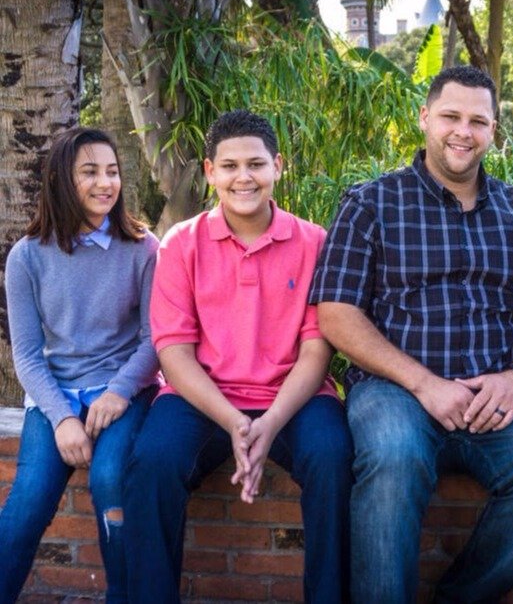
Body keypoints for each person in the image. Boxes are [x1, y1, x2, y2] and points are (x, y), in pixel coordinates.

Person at [309, 65, 513, 603]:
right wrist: (424, 384)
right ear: (425, 118)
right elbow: (336, 314)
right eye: (451, 116)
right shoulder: (371, 204)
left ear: (494, 130)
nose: (463, 131)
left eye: (478, 121)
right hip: (396, 390)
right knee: (393, 459)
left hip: (496, 391)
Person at [123, 110, 353, 603]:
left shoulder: (315, 242)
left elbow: (316, 350)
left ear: (278, 167)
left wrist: (268, 424)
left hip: (294, 396)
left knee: (333, 458)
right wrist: (233, 420)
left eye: (255, 164)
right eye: (229, 166)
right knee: (152, 462)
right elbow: (173, 351)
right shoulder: (181, 243)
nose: (242, 177)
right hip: (201, 397)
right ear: (210, 171)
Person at [0, 128, 159, 602]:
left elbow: (155, 340)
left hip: (124, 392)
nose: (105, 183)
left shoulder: (144, 247)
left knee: (111, 479)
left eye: (112, 171)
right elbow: (27, 355)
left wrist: (119, 392)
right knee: (28, 501)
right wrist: (63, 417)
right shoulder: (27, 256)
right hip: (57, 395)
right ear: (60, 180)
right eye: (90, 172)